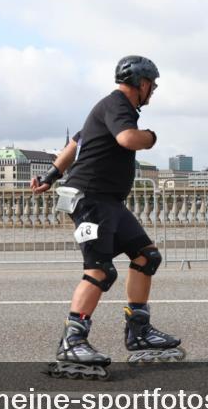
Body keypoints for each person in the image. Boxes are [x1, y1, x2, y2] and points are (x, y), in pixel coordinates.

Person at [31, 55, 182, 379]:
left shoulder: (108, 107)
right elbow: (128, 139)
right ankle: (72, 341)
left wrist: (50, 175)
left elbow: (74, 144)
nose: (152, 92)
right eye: (151, 86)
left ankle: (138, 331)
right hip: (91, 200)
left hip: (108, 202)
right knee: (99, 270)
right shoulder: (118, 105)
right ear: (141, 84)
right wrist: (150, 137)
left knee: (146, 256)